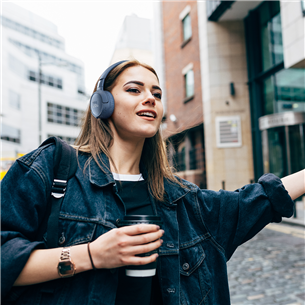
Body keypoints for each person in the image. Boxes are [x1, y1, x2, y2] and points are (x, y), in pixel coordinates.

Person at [0, 59, 304, 305]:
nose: (150, 98)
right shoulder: (52, 167)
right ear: (101, 104)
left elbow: (256, 200)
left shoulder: (181, 198)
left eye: (157, 94)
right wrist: (91, 255)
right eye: (135, 90)